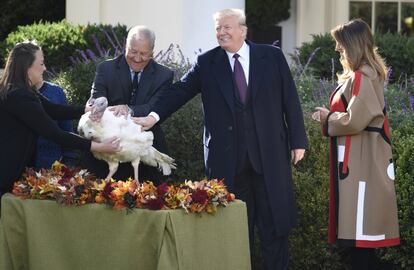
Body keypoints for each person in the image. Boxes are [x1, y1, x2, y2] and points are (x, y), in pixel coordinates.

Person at [136, 9, 308, 270]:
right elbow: (180, 90)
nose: (221, 32)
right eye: (218, 28)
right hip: (228, 162)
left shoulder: (271, 57)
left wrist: (298, 140)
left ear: (243, 30)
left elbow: (290, 100)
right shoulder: (207, 63)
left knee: (275, 227)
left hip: (269, 158)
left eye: (227, 27)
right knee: (235, 230)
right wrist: (153, 116)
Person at [312, 19, 400, 269]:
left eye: (340, 44)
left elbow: (355, 120)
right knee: (360, 240)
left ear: (352, 44)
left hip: (361, 164)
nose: (338, 49)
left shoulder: (363, 75)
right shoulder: (365, 74)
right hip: (360, 160)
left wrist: (327, 116)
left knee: (360, 241)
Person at [0, 41, 120, 209]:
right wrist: (99, 146)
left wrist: (88, 109)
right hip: (5, 174)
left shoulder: (21, 90)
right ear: (27, 67)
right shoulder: (19, 97)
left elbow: (54, 110)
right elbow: (55, 134)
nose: (44, 68)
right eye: (41, 64)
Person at [83, 25, 174, 183]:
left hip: (145, 151)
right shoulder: (106, 68)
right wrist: (97, 108)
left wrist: (129, 109)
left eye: (143, 54)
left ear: (152, 52)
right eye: (133, 51)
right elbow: (96, 98)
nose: (137, 58)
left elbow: (155, 106)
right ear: (125, 45)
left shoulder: (164, 75)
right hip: (107, 151)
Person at [35, 80, 78, 169]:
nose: (44, 68)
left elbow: (66, 127)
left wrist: (69, 158)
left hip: (52, 164)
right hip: (19, 165)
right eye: (41, 64)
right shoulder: (10, 93)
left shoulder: (56, 92)